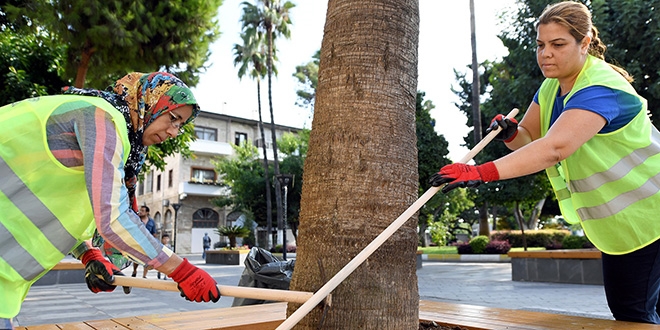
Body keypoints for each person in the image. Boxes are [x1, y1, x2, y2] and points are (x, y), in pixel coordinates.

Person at [430, 1, 660, 324]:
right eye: (540, 45)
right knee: (631, 311)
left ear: (585, 43)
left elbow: (555, 148)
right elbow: (530, 140)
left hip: (651, 215)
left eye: (557, 44)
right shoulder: (551, 88)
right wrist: (511, 134)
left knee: (633, 314)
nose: (545, 54)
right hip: (626, 226)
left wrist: (481, 173)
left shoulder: (601, 87)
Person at [0, 72, 221, 328]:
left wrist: (88, 254)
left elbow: (51, 206)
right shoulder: (101, 120)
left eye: (180, 125)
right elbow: (113, 217)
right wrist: (181, 270)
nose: (174, 131)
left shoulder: (110, 130)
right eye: (173, 118)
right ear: (150, 102)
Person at [131, 205, 157, 278]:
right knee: (136, 258)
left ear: (147, 212)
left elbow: (154, 232)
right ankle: (134, 270)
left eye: (142, 211)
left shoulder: (151, 221)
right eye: (140, 210)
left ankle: (144, 275)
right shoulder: (136, 219)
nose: (141, 212)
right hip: (138, 242)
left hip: (148, 243)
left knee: (147, 259)